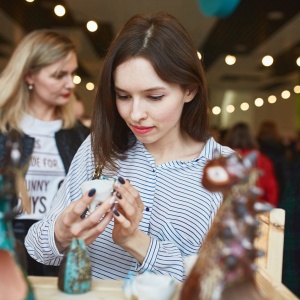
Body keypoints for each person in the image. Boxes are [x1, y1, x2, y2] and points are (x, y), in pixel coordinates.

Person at [25, 12, 233, 282]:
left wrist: (136, 242)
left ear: (190, 90)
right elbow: (36, 248)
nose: (135, 114)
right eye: (123, 96)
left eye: (154, 97)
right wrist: (61, 234)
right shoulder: (99, 148)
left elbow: (222, 282)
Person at [0, 30, 90, 276]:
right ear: (29, 75)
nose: (71, 83)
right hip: (7, 243)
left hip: (59, 245)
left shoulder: (80, 135)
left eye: (72, 73)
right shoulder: (3, 130)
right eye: (59, 75)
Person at [224, 122, 278, 206]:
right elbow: (271, 189)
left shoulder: (223, 159)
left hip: (226, 209)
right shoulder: (263, 160)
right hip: (254, 209)